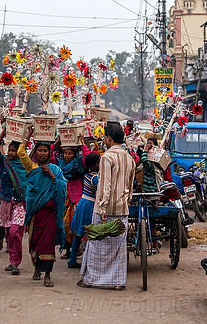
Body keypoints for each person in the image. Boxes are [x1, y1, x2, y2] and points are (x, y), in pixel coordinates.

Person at [78, 123, 135, 290]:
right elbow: (130, 186)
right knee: (118, 248)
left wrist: (102, 208)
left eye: (104, 137)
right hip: (122, 209)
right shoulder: (129, 158)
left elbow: (105, 186)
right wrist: (126, 202)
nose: (104, 140)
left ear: (109, 138)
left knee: (96, 244)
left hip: (106, 208)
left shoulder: (106, 157)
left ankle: (91, 280)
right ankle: (118, 282)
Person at [18, 127, 67, 287]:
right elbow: (20, 152)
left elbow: (62, 188)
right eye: (39, 151)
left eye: (45, 151)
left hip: (51, 215)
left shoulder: (56, 170)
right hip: (35, 214)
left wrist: (52, 177)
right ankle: (37, 268)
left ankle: (47, 275)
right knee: (35, 242)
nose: (42, 153)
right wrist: (28, 133)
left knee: (47, 243)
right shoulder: (31, 168)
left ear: (49, 153)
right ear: (35, 152)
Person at [0, 129, 28, 275]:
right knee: (9, 233)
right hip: (7, 202)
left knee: (15, 232)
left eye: (14, 150)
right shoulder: (4, 163)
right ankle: (13, 261)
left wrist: (28, 134)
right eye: (10, 150)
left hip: (20, 202)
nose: (11, 153)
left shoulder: (24, 164)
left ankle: (15, 261)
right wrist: (3, 132)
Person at [52, 135, 90, 260]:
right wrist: (57, 142)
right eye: (66, 153)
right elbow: (51, 154)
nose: (67, 156)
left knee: (73, 224)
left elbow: (87, 157)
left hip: (76, 197)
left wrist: (82, 143)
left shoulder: (78, 164)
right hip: (63, 196)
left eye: (70, 153)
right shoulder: (58, 164)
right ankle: (67, 250)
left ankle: (76, 248)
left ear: (74, 154)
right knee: (63, 224)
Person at [68, 153, 100, 268]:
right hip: (90, 205)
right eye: (98, 162)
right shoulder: (95, 178)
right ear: (93, 165)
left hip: (83, 202)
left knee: (78, 234)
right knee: (89, 232)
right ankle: (89, 260)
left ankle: (72, 259)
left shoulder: (86, 174)